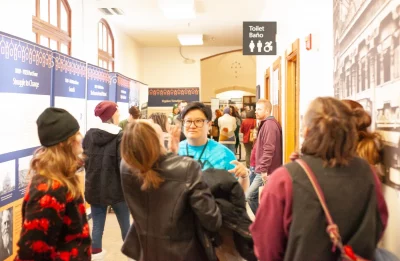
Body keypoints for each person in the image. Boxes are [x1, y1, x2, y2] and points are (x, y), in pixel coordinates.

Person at [250, 97, 388, 261]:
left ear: (307, 132)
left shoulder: (284, 179)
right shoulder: (368, 172)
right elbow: (380, 222)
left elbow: (267, 247)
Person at [119, 120, 222, 261]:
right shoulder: (188, 167)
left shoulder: (126, 166)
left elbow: (156, 174)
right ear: (157, 138)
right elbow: (211, 219)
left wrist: (173, 154)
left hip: (146, 251)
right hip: (184, 253)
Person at [15, 107, 91, 260]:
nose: (80, 137)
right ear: (66, 143)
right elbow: (32, 253)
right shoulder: (49, 189)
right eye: (76, 134)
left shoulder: (62, 178)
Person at [83, 101, 130, 261]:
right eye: (117, 112)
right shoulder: (120, 136)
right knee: (125, 225)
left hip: (94, 188)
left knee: (97, 226)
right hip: (117, 189)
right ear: (111, 115)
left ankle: (96, 256)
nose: (119, 115)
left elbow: (85, 160)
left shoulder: (89, 135)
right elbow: (122, 164)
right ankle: (133, 255)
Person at [175, 102, 249, 190]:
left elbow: (238, 192)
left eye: (198, 121)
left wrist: (244, 177)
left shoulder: (224, 154)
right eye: (188, 121)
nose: (192, 125)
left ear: (209, 124)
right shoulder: (174, 151)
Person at [246, 99, 282, 214]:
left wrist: (263, 170)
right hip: (261, 168)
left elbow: (269, 148)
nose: (256, 112)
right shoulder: (266, 124)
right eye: (256, 109)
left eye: (259, 109)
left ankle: (262, 222)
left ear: (267, 111)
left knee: (250, 196)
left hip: (264, 170)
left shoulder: (269, 125)